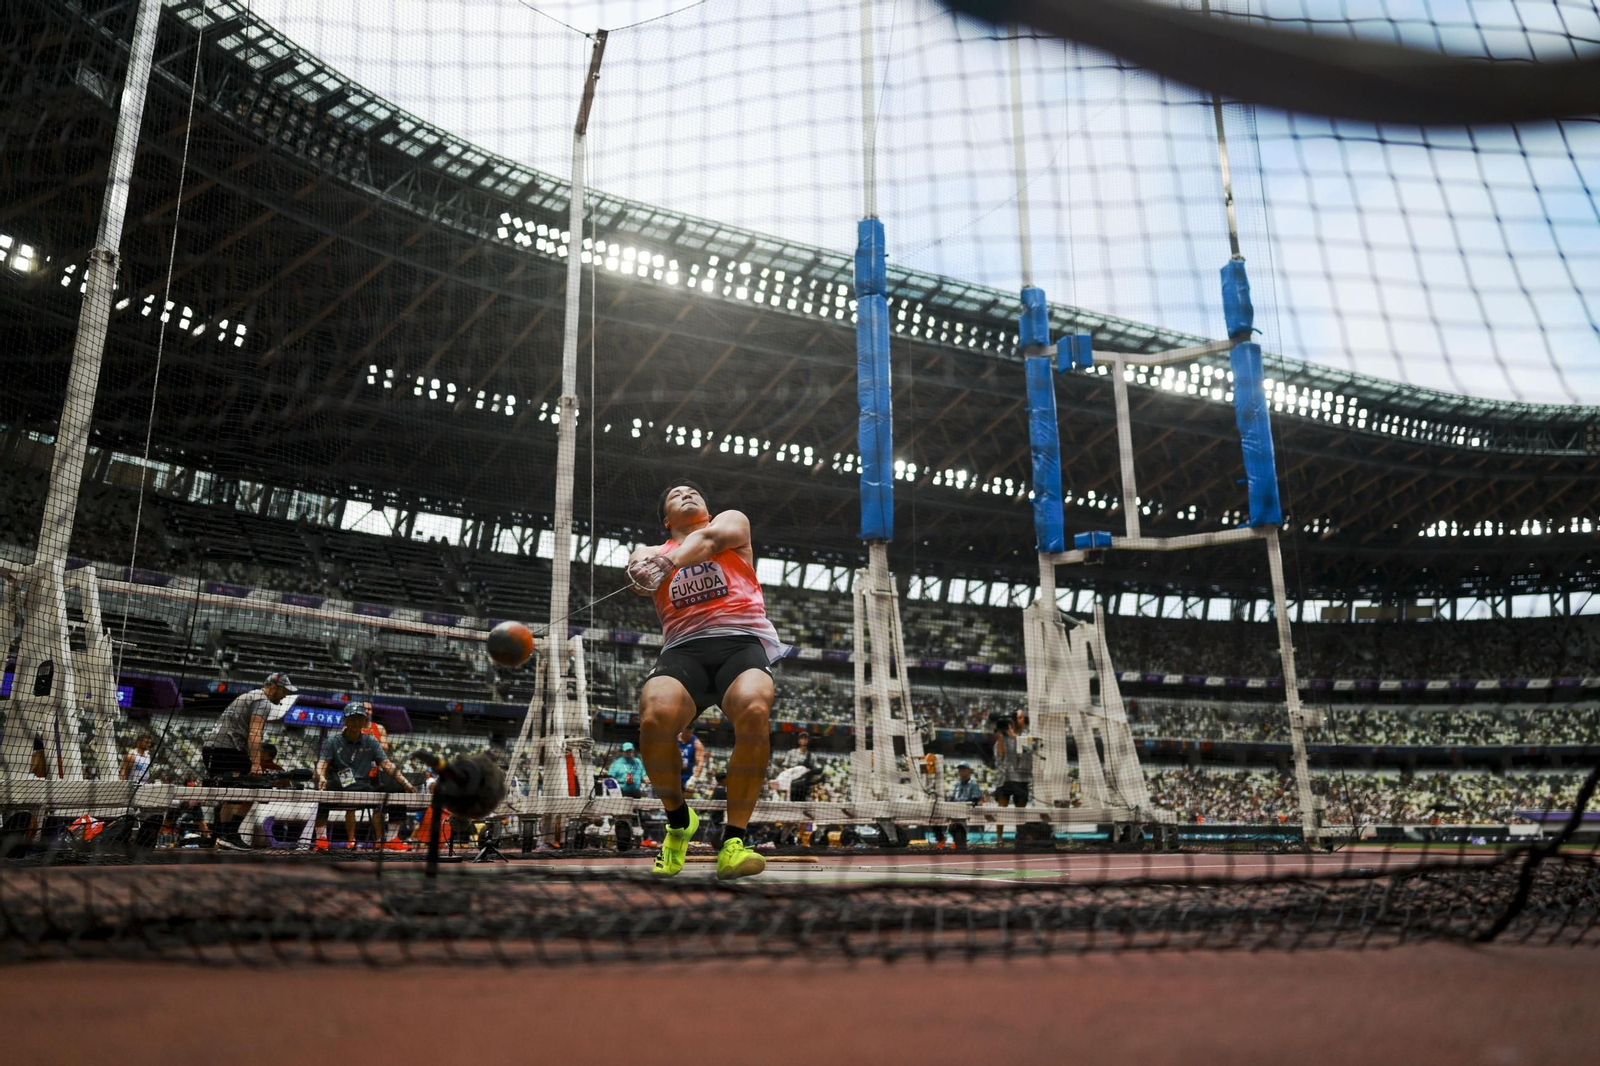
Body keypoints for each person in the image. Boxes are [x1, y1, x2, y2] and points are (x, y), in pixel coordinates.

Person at [625, 479, 788, 881]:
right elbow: (639, 578)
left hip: (740, 644)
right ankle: (680, 823)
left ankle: (734, 842)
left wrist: (671, 563)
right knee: (653, 718)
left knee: (753, 709)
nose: (686, 494)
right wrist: (648, 569)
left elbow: (712, 540)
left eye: (693, 492)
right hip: (684, 652)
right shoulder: (648, 551)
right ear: (666, 519)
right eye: (675, 494)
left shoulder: (732, 522)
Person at [201, 672, 295, 848]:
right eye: (284, 691)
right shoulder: (263, 701)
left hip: (210, 749)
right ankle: (230, 834)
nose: (285, 695)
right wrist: (256, 763)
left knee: (229, 793)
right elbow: (254, 732)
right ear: (273, 687)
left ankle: (220, 836)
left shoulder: (247, 695)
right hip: (227, 750)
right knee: (256, 787)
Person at [312, 708, 416, 848]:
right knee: (323, 791)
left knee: (396, 788)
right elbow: (322, 763)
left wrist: (405, 782)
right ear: (345, 721)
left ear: (364, 722)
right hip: (340, 787)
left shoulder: (371, 741)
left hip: (364, 787)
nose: (356, 722)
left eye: (360, 718)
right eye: (353, 718)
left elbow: (386, 764)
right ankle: (321, 839)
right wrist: (321, 777)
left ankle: (391, 839)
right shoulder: (332, 741)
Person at [992, 717, 1033, 808]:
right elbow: (1000, 755)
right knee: (1001, 808)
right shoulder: (1001, 740)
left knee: (1020, 809)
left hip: (1021, 778)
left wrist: (1013, 736)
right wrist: (1000, 736)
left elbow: (1028, 749)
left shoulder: (1024, 736)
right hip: (1004, 779)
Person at [782, 731, 818, 801]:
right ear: (799, 740)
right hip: (793, 785)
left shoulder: (812, 756)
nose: (804, 740)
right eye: (802, 738)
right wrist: (790, 776)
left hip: (805, 787)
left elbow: (815, 772)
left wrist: (812, 784)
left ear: (809, 740)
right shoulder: (791, 753)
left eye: (806, 738)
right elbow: (785, 767)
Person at [676, 726, 706, 796]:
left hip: (687, 774)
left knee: (686, 797)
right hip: (673, 773)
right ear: (682, 730)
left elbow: (700, 762)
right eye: (686, 732)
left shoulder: (697, 743)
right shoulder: (673, 739)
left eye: (690, 732)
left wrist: (694, 778)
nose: (688, 734)